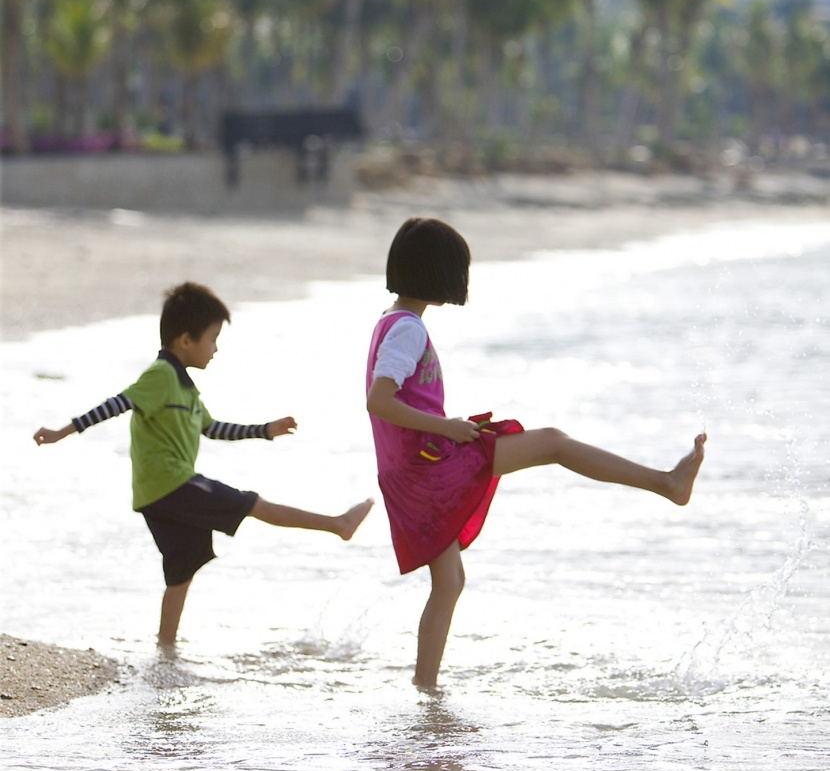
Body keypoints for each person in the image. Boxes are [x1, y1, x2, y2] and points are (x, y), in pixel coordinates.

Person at [366, 217, 706, 688]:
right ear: (437, 271)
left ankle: (425, 695)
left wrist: (444, 427)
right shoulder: (408, 330)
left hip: (410, 468)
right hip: (429, 466)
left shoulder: (392, 321)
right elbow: (379, 401)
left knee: (448, 582)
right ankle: (667, 483)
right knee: (553, 443)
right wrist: (447, 426)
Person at [34, 282, 372, 645]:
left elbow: (213, 429)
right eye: (212, 339)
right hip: (171, 484)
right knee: (250, 503)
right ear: (184, 340)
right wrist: (61, 432)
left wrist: (265, 430)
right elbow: (117, 404)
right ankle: (337, 525)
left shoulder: (187, 389)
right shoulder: (160, 376)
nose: (215, 348)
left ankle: (166, 648)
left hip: (159, 493)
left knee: (181, 569)